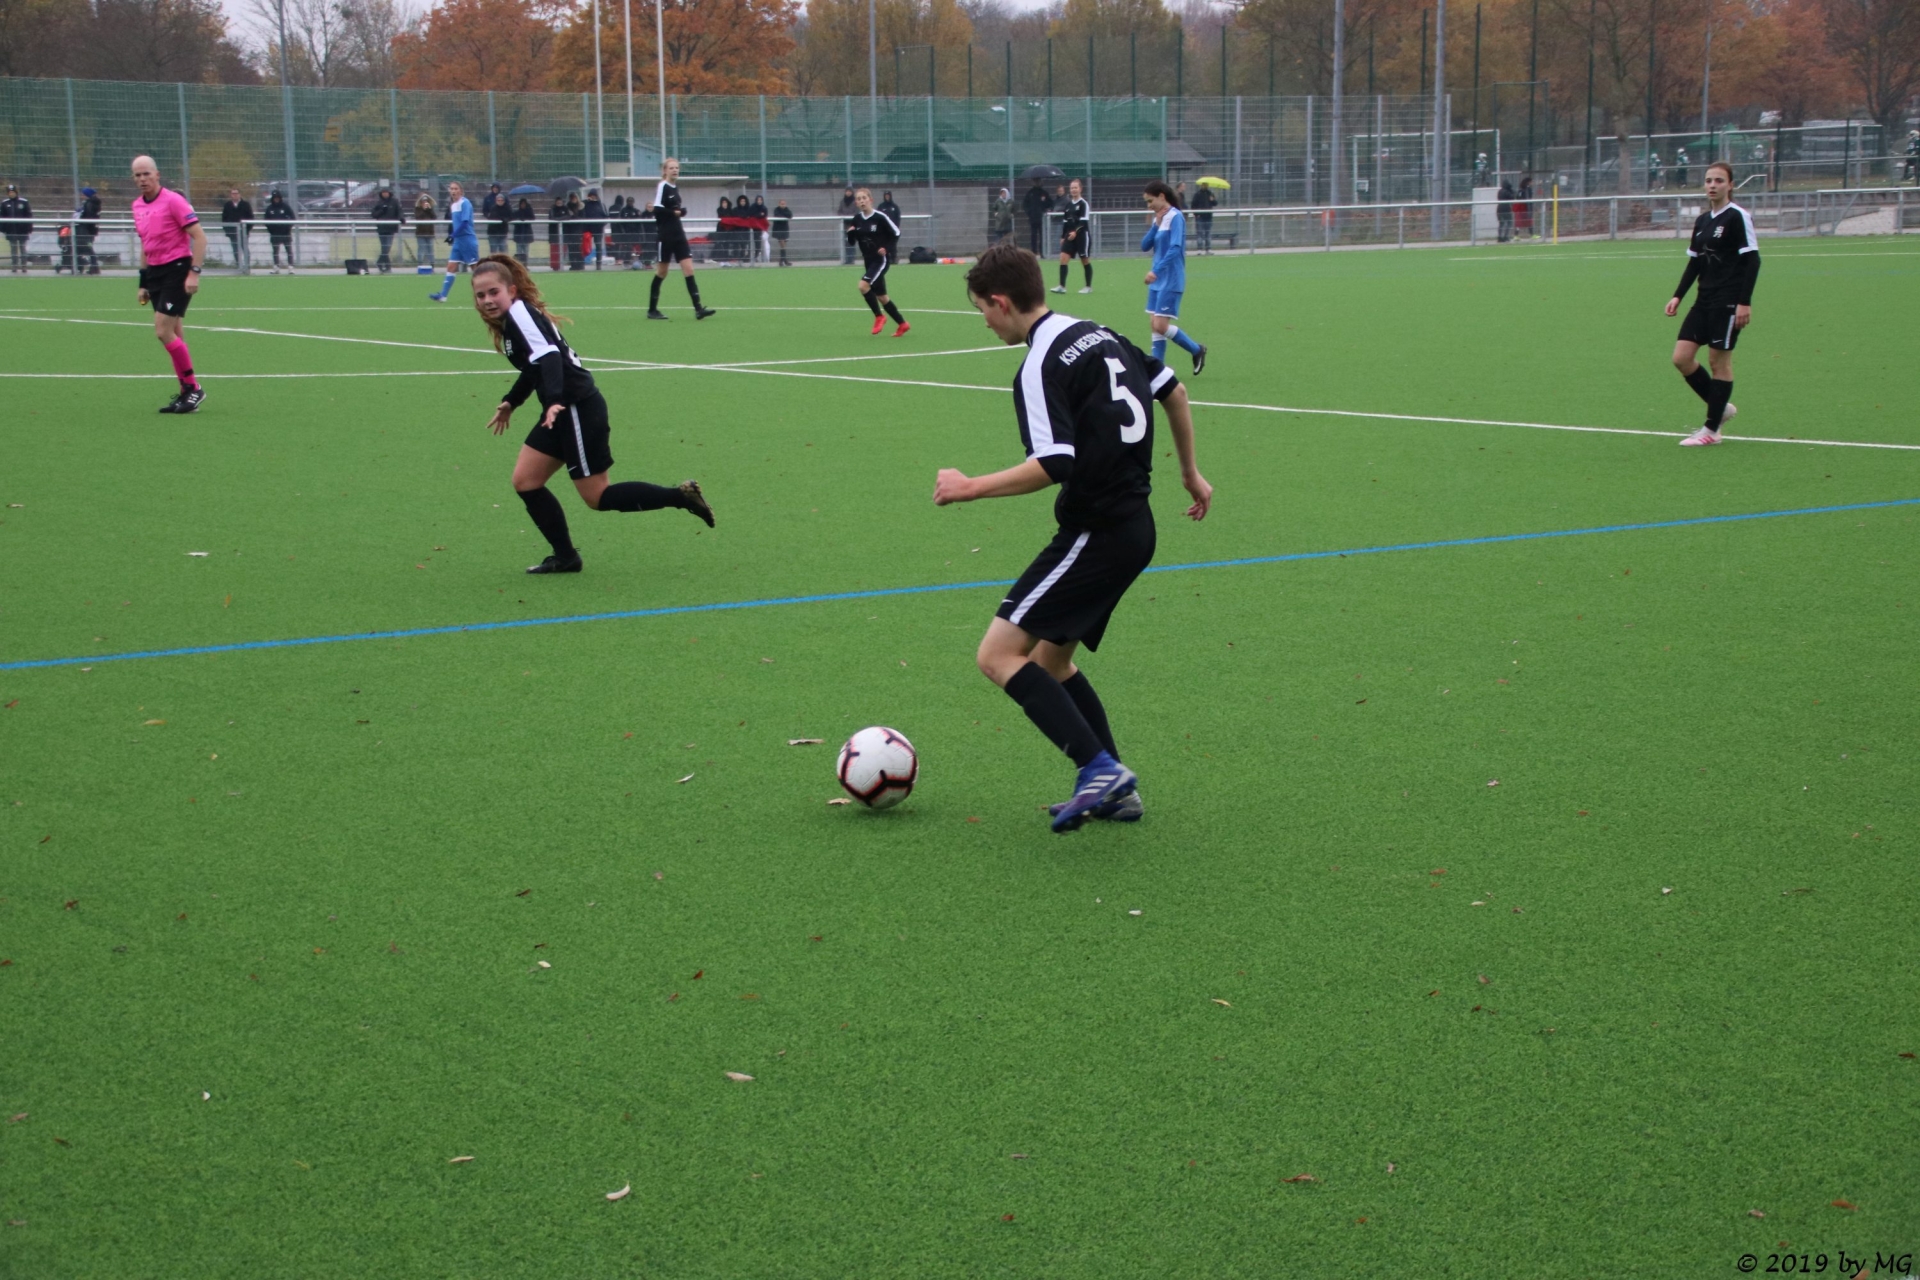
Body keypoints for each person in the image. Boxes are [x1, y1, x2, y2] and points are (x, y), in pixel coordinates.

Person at [933, 243, 1212, 832]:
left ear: (1001, 302)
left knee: (997, 655)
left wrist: (969, 487)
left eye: (981, 309)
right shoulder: (1098, 332)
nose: (984, 321)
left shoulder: (1038, 365)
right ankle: (1116, 792)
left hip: (1098, 532)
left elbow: (1054, 462)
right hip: (1135, 527)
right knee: (1051, 660)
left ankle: (1098, 769)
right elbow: (1175, 392)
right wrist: (1189, 472)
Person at [468, 255, 714, 574]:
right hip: (561, 410)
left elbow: (550, 356)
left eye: (494, 292)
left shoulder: (519, 314)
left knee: (597, 496)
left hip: (575, 408)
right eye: (480, 295)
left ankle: (680, 497)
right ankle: (566, 557)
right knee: (526, 481)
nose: (487, 300)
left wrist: (554, 400)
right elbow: (534, 368)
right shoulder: (514, 319)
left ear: (511, 290)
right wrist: (511, 402)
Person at [1666, 161, 1760, 447]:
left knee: (1718, 362)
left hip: (1728, 301)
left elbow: (1752, 260)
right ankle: (1721, 408)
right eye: (1708, 180)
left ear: (1730, 185)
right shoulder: (1703, 220)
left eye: (1719, 181)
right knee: (1681, 358)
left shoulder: (1737, 216)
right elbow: (1695, 262)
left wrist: (1744, 302)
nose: (1712, 185)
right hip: (1703, 300)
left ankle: (1712, 429)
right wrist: (1678, 295)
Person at [129, 155, 210, 414]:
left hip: (177, 270)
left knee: (162, 330)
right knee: (174, 333)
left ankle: (194, 389)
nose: (142, 179)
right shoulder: (137, 206)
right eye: (138, 175)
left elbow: (200, 237)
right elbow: (146, 244)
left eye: (146, 174)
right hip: (155, 273)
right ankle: (187, 391)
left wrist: (194, 273)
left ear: (157, 175)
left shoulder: (174, 201)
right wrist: (143, 282)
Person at [1139, 179, 1207, 375]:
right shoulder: (1159, 218)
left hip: (1171, 279)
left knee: (1161, 326)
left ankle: (1197, 349)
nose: (1149, 206)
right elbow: (1144, 246)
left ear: (1162, 196)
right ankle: (1157, 369)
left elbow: (1176, 248)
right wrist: (1156, 225)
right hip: (1157, 281)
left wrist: (1156, 271)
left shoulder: (1176, 217)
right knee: (1154, 325)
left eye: (1150, 201)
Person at [645, 158, 715, 320]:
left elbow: (673, 210)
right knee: (662, 272)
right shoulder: (663, 186)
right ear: (665, 171)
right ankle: (652, 310)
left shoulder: (675, 188)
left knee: (689, 270)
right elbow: (657, 210)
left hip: (679, 235)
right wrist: (674, 213)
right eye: (671, 168)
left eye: (677, 168)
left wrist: (681, 212)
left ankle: (698, 309)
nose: (675, 170)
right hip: (666, 236)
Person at [846, 187, 909, 338]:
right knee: (881, 297)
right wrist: (850, 234)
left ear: (871, 200)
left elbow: (896, 233)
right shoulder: (857, 219)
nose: (862, 201)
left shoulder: (880, 217)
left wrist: (886, 248)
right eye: (859, 199)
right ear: (856, 203)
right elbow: (852, 242)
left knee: (863, 286)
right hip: (868, 261)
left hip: (880, 260)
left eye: (864, 198)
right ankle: (902, 324)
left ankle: (879, 317)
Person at [429, 180, 478, 301]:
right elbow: (456, 223)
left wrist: (453, 235)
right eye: (451, 189)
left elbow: (465, 222)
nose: (453, 191)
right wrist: (453, 236)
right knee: (451, 267)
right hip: (458, 241)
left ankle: (484, 293)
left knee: (476, 269)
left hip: (467, 240)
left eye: (456, 189)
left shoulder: (465, 203)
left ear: (461, 191)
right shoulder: (453, 205)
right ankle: (443, 295)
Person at [1052, 177, 1093, 295]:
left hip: (1082, 236)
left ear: (1080, 189)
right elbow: (1065, 222)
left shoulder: (1083, 204)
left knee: (1084, 260)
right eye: (1072, 188)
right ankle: (1062, 286)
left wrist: (1075, 232)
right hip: (1069, 236)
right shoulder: (1068, 205)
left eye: (1075, 188)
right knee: (1063, 258)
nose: (1073, 190)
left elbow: (1083, 222)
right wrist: (1062, 236)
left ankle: (1088, 286)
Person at [369, 186, 403, 273]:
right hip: (381, 228)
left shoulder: (394, 202)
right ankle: (386, 266)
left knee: (387, 247)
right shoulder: (379, 202)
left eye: (386, 192)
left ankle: (380, 262)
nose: (385, 194)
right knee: (384, 247)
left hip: (391, 228)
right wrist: (381, 211)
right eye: (383, 192)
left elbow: (399, 211)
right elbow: (373, 215)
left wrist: (401, 218)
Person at [263, 189, 296, 273]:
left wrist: (287, 228)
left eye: (277, 197)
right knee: (275, 251)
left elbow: (292, 218)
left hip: (286, 233)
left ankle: (291, 267)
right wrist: (271, 230)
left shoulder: (286, 207)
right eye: (275, 198)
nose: (276, 199)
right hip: (274, 234)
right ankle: (276, 267)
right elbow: (266, 221)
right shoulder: (269, 208)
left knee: (289, 250)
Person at [2, 184, 33, 273]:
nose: (11, 194)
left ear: (16, 192)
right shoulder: (5, 203)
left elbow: (29, 215)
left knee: (23, 248)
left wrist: (29, 227)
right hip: (11, 230)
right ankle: (14, 266)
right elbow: (2, 216)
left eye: (13, 192)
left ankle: (24, 266)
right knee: (13, 249)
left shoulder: (24, 202)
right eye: (9, 192)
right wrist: (3, 228)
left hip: (22, 230)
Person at [74, 186, 101, 274]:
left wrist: (81, 217)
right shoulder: (92, 203)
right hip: (91, 229)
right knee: (88, 247)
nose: (81, 195)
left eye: (83, 194)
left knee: (88, 248)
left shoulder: (89, 204)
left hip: (87, 230)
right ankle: (92, 266)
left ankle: (94, 266)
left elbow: (88, 216)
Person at [1023, 178, 1051, 254]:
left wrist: (1047, 209)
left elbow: (1050, 203)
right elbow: (1025, 205)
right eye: (1035, 181)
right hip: (1033, 218)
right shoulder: (1030, 193)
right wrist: (1029, 212)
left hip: (1042, 219)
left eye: (1038, 181)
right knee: (1033, 235)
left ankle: (1042, 252)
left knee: (1042, 236)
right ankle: (1034, 251)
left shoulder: (1044, 193)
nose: (1037, 183)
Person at [482, 183, 510, 256]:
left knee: (503, 250)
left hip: (502, 230)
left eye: (501, 200)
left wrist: (505, 219)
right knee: (493, 251)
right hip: (493, 230)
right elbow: (485, 211)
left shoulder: (505, 201)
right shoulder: (488, 199)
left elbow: (510, 213)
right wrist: (489, 216)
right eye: (498, 200)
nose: (500, 201)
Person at [1190, 181, 1216, 253]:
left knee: (1208, 233)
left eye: (1206, 185)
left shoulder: (1210, 194)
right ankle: (1199, 249)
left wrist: (1213, 200)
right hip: (1200, 217)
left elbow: (1215, 203)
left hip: (1208, 216)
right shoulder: (1197, 194)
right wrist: (1196, 214)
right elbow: (1193, 205)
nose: (1205, 186)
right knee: (1200, 233)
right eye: (1204, 185)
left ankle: (1208, 248)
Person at [413, 191, 437, 268]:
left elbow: (434, 217)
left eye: (426, 201)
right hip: (420, 233)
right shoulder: (417, 209)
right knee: (421, 249)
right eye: (423, 201)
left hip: (430, 232)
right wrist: (423, 209)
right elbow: (418, 217)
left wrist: (429, 209)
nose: (425, 202)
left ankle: (432, 264)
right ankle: (420, 264)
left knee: (430, 249)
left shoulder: (430, 209)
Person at [512, 196, 536, 266]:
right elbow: (513, 219)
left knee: (526, 251)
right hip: (518, 234)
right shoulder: (516, 212)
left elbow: (532, 218)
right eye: (521, 204)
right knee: (519, 251)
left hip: (526, 234)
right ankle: (519, 265)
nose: (523, 205)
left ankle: (525, 265)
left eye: (524, 204)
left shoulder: (529, 212)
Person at [837, 186, 858, 263]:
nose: (848, 193)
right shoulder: (842, 202)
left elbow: (857, 211)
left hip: (852, 225)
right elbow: (839, 211)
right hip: (844, 225)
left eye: (849, 191)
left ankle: (851, 259)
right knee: (845, 242)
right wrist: (843, 216)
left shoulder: (855, 202)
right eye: (847, 191)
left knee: (851, 242)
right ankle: (846, 259)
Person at [547, 195, 567, 270]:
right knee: (554, 250)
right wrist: (560, 219)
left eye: (560, 202)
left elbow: (568, 216)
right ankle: (555, 266)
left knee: (563, 249)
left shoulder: (565, 209)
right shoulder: (552, 209)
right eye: (558, 202)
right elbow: (552, 218)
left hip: (564, 233)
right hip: (554, 233)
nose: (559, 203)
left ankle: (561, 264)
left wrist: (559, 219)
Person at [771, 197, 792, 265]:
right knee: (782, 244)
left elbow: (790, 215)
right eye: (781, 204)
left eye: (784, 204)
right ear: (779, 204)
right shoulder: (776, 210)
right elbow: (778, 215)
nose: (783, 205)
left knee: (783, 245)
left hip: (785, 229)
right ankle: (784, 260)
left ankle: (782, 260)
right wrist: (784, 215)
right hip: (778, 229)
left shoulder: (787, 209)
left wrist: (783, 214)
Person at [1496, 175, 1515, 242]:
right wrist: (1512, 191)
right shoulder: (1507, 191)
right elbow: (1512, 197)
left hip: (1499, 208)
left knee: (1501, 223)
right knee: (1509, 222)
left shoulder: (1500, 191)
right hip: (1506, 208)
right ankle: (1506, 236)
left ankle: (1500, 237)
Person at [715, 196, 734, 261]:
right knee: (720, 243)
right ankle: (720, 257)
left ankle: (726, 256)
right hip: (721, 228)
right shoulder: (719, 209)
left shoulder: (730, 210)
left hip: (728, 229)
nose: (724, 204)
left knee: (727, 243)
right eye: (723, 203)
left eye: (725, 202)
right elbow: (721, 216)